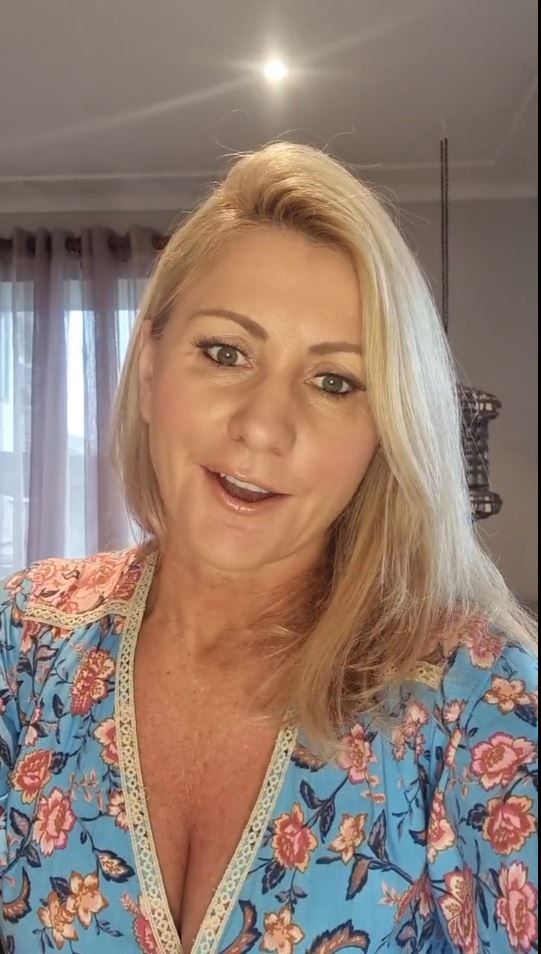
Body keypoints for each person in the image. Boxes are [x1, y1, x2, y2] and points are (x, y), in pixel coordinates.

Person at [0, 142, 537, 954]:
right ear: (149, 368)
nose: (261, 427)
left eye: (334, 382)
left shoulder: (476, 698)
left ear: (384, 431)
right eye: (225, 353)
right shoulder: (24, 641)